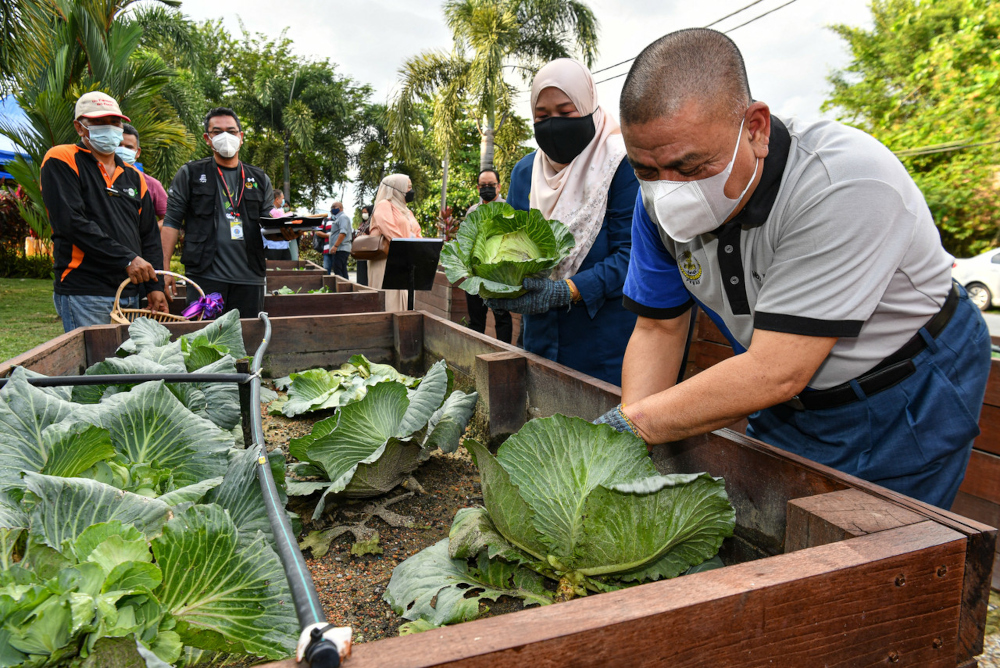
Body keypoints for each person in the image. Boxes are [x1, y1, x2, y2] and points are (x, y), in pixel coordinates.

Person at [596, 28, 991, 510]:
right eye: (646, 170)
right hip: (785, 397)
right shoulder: (655, 204)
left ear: (756, 128)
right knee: (770, 528)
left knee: (878, 556)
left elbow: (777, 369)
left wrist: (633, 425)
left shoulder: (843, 183)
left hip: (905, 385)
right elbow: (658, 329)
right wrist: (631, 443)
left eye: (691, 165)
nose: (668, 189)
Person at [487, 59, 639, 385]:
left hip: (602, 343)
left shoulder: (620, 165)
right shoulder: (525, 172)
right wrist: (495, 279)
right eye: (542, 116)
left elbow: (631, 257)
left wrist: (565, 291)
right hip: (539, 338)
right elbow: (511, 248)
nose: (553, 124)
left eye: (566, 112)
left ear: (586, 106)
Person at [40, 91, 167, 332]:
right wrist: (127, 258)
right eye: (98, 122)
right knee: (98, 366)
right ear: (80, 127)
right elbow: (71, 222)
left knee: (130, 366)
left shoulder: (134, 176)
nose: (109, 128)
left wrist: (155, 286)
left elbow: (149, 235)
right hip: (86, 290)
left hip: (131, 291)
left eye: (114, 122)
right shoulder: (62, 158)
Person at [161, 107, 299, 318]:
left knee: (246, 341)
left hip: (249, 277)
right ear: (207, 139)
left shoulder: (259, 178)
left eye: (232, 131)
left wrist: (286, 231)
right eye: (217, 132)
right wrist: (165, 270)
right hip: (204, 277)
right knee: (202, 343)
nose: (225, 136)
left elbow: (267, 223)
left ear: (241, 137)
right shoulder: (191, 174)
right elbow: (171, 222)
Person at [464, 168, 513, 344]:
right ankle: (475, 355)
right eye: (483, 185)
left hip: (499, 273)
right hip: (476, 273)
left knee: (502, 318)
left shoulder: (508, 209)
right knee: (476, 320)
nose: (487, 188)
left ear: (498, 187)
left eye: (491, 185)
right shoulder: (472, 211)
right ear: (478, 188)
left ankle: (505, 354)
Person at [369, 174, 422, 312]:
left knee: (405, 300)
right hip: (386, 261)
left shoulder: (407, 211)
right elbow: (390, 232)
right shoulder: (384, 206)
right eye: (408, 187)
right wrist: (410, 247)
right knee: (389, 301)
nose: (411, 191)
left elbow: (417, 232)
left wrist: (421, 247)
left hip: (405, 260)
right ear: (397, 189)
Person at [118, 124, 168, 229]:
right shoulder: (97, 176)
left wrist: (147, 232)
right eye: (118, 145)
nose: (122, 150)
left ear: (137, 152)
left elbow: (168, 218)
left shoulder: (152, 184)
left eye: (129, 147)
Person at [317, 201, 352, 279]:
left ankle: (343, 288)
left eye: (334, 207)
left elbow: (343, 233)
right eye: (331, 207)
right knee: (340, 270)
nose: (332, 209)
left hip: (341, 248)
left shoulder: (343, 217)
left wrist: (335, 246)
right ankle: (344, 289)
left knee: (339, 271)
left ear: (340, 208)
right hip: (339, 248)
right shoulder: (338, 218)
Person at [263, 190, 292, 261]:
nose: (283, 201)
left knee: (287, 269)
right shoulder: (268, 211)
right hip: (272, 246)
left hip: (284, 246)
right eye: (282, 198)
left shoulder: (282, 210)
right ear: (277, 199)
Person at [355, 204, 373, 286]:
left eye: (365, 212)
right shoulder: (362, 224)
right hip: (360, 250)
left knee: (365, 273)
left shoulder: (372, 223)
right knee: (361, 272)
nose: (364, 214)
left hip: (367, 250)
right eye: (362, 213)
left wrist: (365, 236)